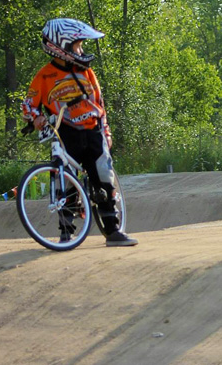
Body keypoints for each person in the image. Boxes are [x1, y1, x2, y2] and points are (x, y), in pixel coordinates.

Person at [22, 18, 137, 247]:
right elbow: (28, 104)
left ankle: (113, 230)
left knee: (103, 175)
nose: (81, 50)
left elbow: (100, 104)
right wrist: (36, 118)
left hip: (93, 131)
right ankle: (66, 232)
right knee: (64, 181)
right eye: (77, 46)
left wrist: (106, 131)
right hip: (67, 133)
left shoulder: (87, 72)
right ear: (61, 45)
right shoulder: (44, 76)